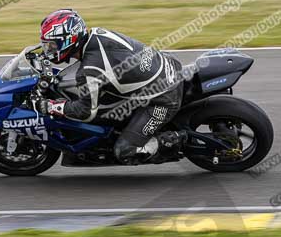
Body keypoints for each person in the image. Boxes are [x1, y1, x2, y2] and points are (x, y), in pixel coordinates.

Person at [36, 8, 187, 164]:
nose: (49, 50)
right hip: (168, 65)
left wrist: (51, 107)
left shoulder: (90, 70)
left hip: (164, 98)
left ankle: (173, 141)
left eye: (52, 46)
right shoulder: (98, 33)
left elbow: (85, 112)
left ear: (69, 40)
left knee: (124, 151)